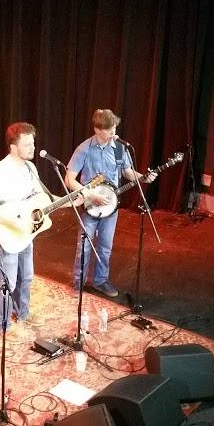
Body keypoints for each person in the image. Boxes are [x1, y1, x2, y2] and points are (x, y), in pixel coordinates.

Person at [65, 109, 155, 297]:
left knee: (105, 246)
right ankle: (78, 284)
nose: (113, 132)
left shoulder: (119, 148)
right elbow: (69, 180)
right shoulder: (84, 149)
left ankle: (101, 281)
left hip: (111, 206)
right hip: (90, 205)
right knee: (85, 246)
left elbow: (127, 172)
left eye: (114, 128)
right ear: (97, 130)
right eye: (109, 129)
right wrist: (90, 195)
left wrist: (143, 177)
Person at [0, 122, 56, 333]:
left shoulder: (31, 168)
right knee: (8, 283)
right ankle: (2, 325)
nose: (33, 148)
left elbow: (43, 197)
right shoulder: (1, 170)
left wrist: (72, 201)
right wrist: (14, 222)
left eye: (33, 143)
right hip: (9, 234)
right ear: (14, 147)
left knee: (27, 277)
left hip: (27, 233)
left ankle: (23, 313)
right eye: (27, 144)